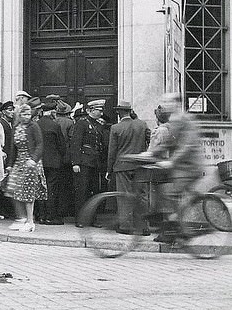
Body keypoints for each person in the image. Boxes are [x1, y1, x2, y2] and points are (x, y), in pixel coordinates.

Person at [145, 93, 204, 242]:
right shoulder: (174, 120)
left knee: (170, 193)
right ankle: (176, 226)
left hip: (189, 167)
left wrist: (171, 161)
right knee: (167, 193)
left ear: (176, 104)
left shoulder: (186, 119)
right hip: (180, 167)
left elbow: (187, 146)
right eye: (164, 101)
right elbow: (168, 143)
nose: (165, 104)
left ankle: (178, 226)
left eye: (168, 101)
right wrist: (150, 153)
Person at [106, 100, 150, 234]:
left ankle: (126, 226)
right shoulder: (142, 124)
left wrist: (109, 169)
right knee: (142, 195)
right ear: (130, 111)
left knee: (124, 196)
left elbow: (112, 152)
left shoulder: (115, 128)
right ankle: (143, 227)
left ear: (119, 113)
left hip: (122, 166)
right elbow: (150, 139)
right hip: (139, 165)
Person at [5, 103, 47, 232]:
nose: (27, 117)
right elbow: (13, 148)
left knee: (28, 191)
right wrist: (10, 165)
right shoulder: (16, 127)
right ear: (19, 114)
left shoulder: (34, 126)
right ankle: (21, 217)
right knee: (11, 189)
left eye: (28, 114)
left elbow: (40, 145)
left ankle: (30, 221)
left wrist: (34, 160)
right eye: (24, 114)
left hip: (30, 161)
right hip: (19, 161)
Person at [70, 99, 108, 227]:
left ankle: (92, 219)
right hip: (83, 162)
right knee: (82, 191)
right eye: (99, 110)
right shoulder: (82, 123)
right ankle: (80, 220)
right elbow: (75, 144)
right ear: (90, 110)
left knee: (94, 191)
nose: (101, 113)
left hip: (95, 163)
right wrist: (75, 163)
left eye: (101, 110)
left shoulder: (98, 125)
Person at [36, 101, 66, 225]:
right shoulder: (55, 126)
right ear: (53, 112)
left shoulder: (36, 124)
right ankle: (50, 216)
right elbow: (62, 146)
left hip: (38, 162)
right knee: (51, 189)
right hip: (53, 162)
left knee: (40, 188)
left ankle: (40, 215)